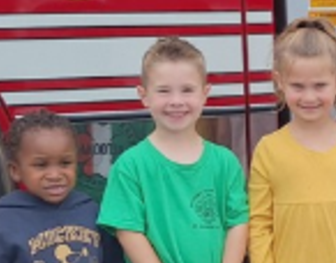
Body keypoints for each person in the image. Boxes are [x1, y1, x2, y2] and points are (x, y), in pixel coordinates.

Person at [249, 18, 336, 263]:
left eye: (319, 85)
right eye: (298, 86)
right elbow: (260, 225)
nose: (309, 97)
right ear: (279, 82)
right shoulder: (268, 150)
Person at [99, 37, 249, 263]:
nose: (176, 101)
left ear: (205, 94)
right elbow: (128, 232)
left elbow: (237, 222)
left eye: (187, 90)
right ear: (144, 96)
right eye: (164, 91)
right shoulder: (130, 167)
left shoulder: (225, 162)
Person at [0, 110, 122, 263]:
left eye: (65, 163)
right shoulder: (2, 221)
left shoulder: (91, 211)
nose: (55, 175)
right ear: (15, 171)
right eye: (41, 165)